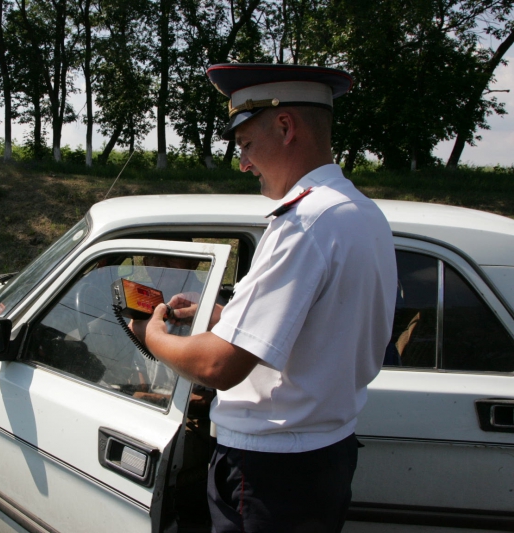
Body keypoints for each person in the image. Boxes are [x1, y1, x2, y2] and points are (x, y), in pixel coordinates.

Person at [130, 64, 397, 533]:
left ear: (285, 126)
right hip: (323, 455)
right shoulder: (360, 211)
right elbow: (321, 326)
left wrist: (152, 336)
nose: (244, 163)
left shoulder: (303, 222)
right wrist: (224, 317)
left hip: (271, 470)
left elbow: (219, 368)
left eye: (246, 145)